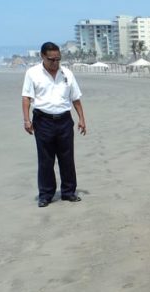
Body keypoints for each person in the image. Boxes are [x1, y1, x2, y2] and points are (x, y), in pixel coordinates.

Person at [22, 41, 86, 207]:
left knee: (67, 158)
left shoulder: (67, 73)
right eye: (51, 59)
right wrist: (27, 120)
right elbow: (26, 97)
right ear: (42, 56)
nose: (55, 63)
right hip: (43, 121)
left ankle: (69, 192)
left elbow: (76, 98)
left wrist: (82, 119)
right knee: (46, 160)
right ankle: (45, 194)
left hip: (64, 120)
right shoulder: (32, 73)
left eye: (58, 59)